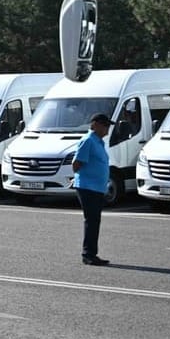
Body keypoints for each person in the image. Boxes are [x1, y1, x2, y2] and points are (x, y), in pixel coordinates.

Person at [72, 112, 114, 266]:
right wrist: (85, 177)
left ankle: (91, 253)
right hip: (88, 187)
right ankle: (88, 254)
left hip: (96, 187)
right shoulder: (88, 140)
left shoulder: (98, 141)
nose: (107, 129)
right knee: (91, 220)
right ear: (95, 125)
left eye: (108, 126)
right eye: (105, 125)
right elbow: (76, 164)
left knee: (95, 221)